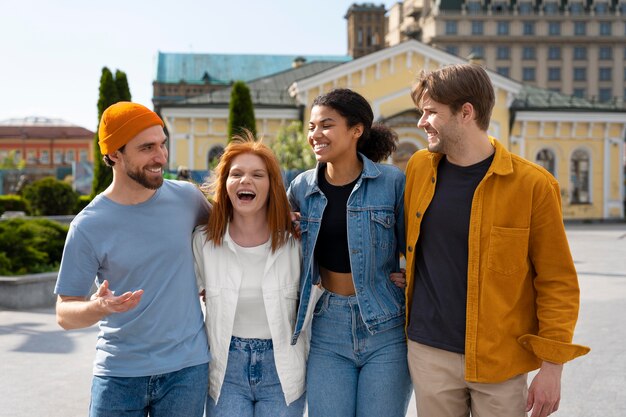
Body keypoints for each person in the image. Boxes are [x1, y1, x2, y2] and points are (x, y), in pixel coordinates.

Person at [404, 63, 590, 417]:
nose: (421, 122)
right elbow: (404, 241)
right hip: (430, 354)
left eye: (430, 112)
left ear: (466, 112)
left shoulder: (533, 185)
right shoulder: (418, 168)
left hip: (501, 361)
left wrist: (552, 368)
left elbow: (557, 282)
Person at [54, 101, 211, 417]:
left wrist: (286, 221)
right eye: (147, 148)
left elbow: (236, 233)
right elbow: (64, 313)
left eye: (163, 144)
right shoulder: (88, 225)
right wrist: (97, 307)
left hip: (187, 370)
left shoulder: (188, 199)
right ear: (114, 154)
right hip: (119, 373)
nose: (161, 156)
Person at [287, 88, 412, 417]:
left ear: (357, 130)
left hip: (386, 325)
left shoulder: (391, 182)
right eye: (312, 127)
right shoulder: (301, 188)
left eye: (327, 125)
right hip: (328, 326)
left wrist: (413, 274)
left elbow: (416, 244)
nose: (316, 135)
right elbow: (270, 239)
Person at [193, 130, 315, 417]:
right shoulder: (203, 241)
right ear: (224, 184)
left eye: (257, 175)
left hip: (282, 369)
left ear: (272, 185)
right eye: (236, 174)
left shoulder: (295, 240)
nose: (245, 181)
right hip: (226, 370)